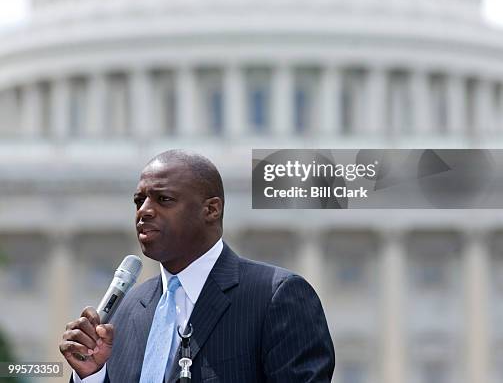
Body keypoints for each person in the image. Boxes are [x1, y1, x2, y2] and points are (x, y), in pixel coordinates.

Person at [60, 149, 335, 382]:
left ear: (211, 210)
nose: (144, 210)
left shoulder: (275, 296)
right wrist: (91, 375)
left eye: (163, 199)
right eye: (139, 200)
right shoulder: (128, 309)